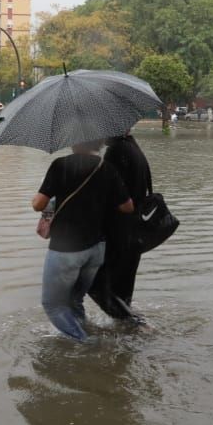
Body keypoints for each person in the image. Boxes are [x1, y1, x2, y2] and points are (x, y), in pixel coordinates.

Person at [31, 140, 135, 342]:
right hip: (96, 248)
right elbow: (127, 207)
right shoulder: (106, 167)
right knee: (74, 299)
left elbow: (38, 204)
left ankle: (85, 343)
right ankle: (82, 334)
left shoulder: (61, 165)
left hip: (66, 249)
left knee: (52, 304)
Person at [88, 131, 154, 323]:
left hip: (119, 232)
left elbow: (110, 194)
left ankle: (136, 325)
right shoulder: (133, 148)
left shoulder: (116, 151)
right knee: (122, 290)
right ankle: (126, 336)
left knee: (93, 283)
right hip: (134, 232)